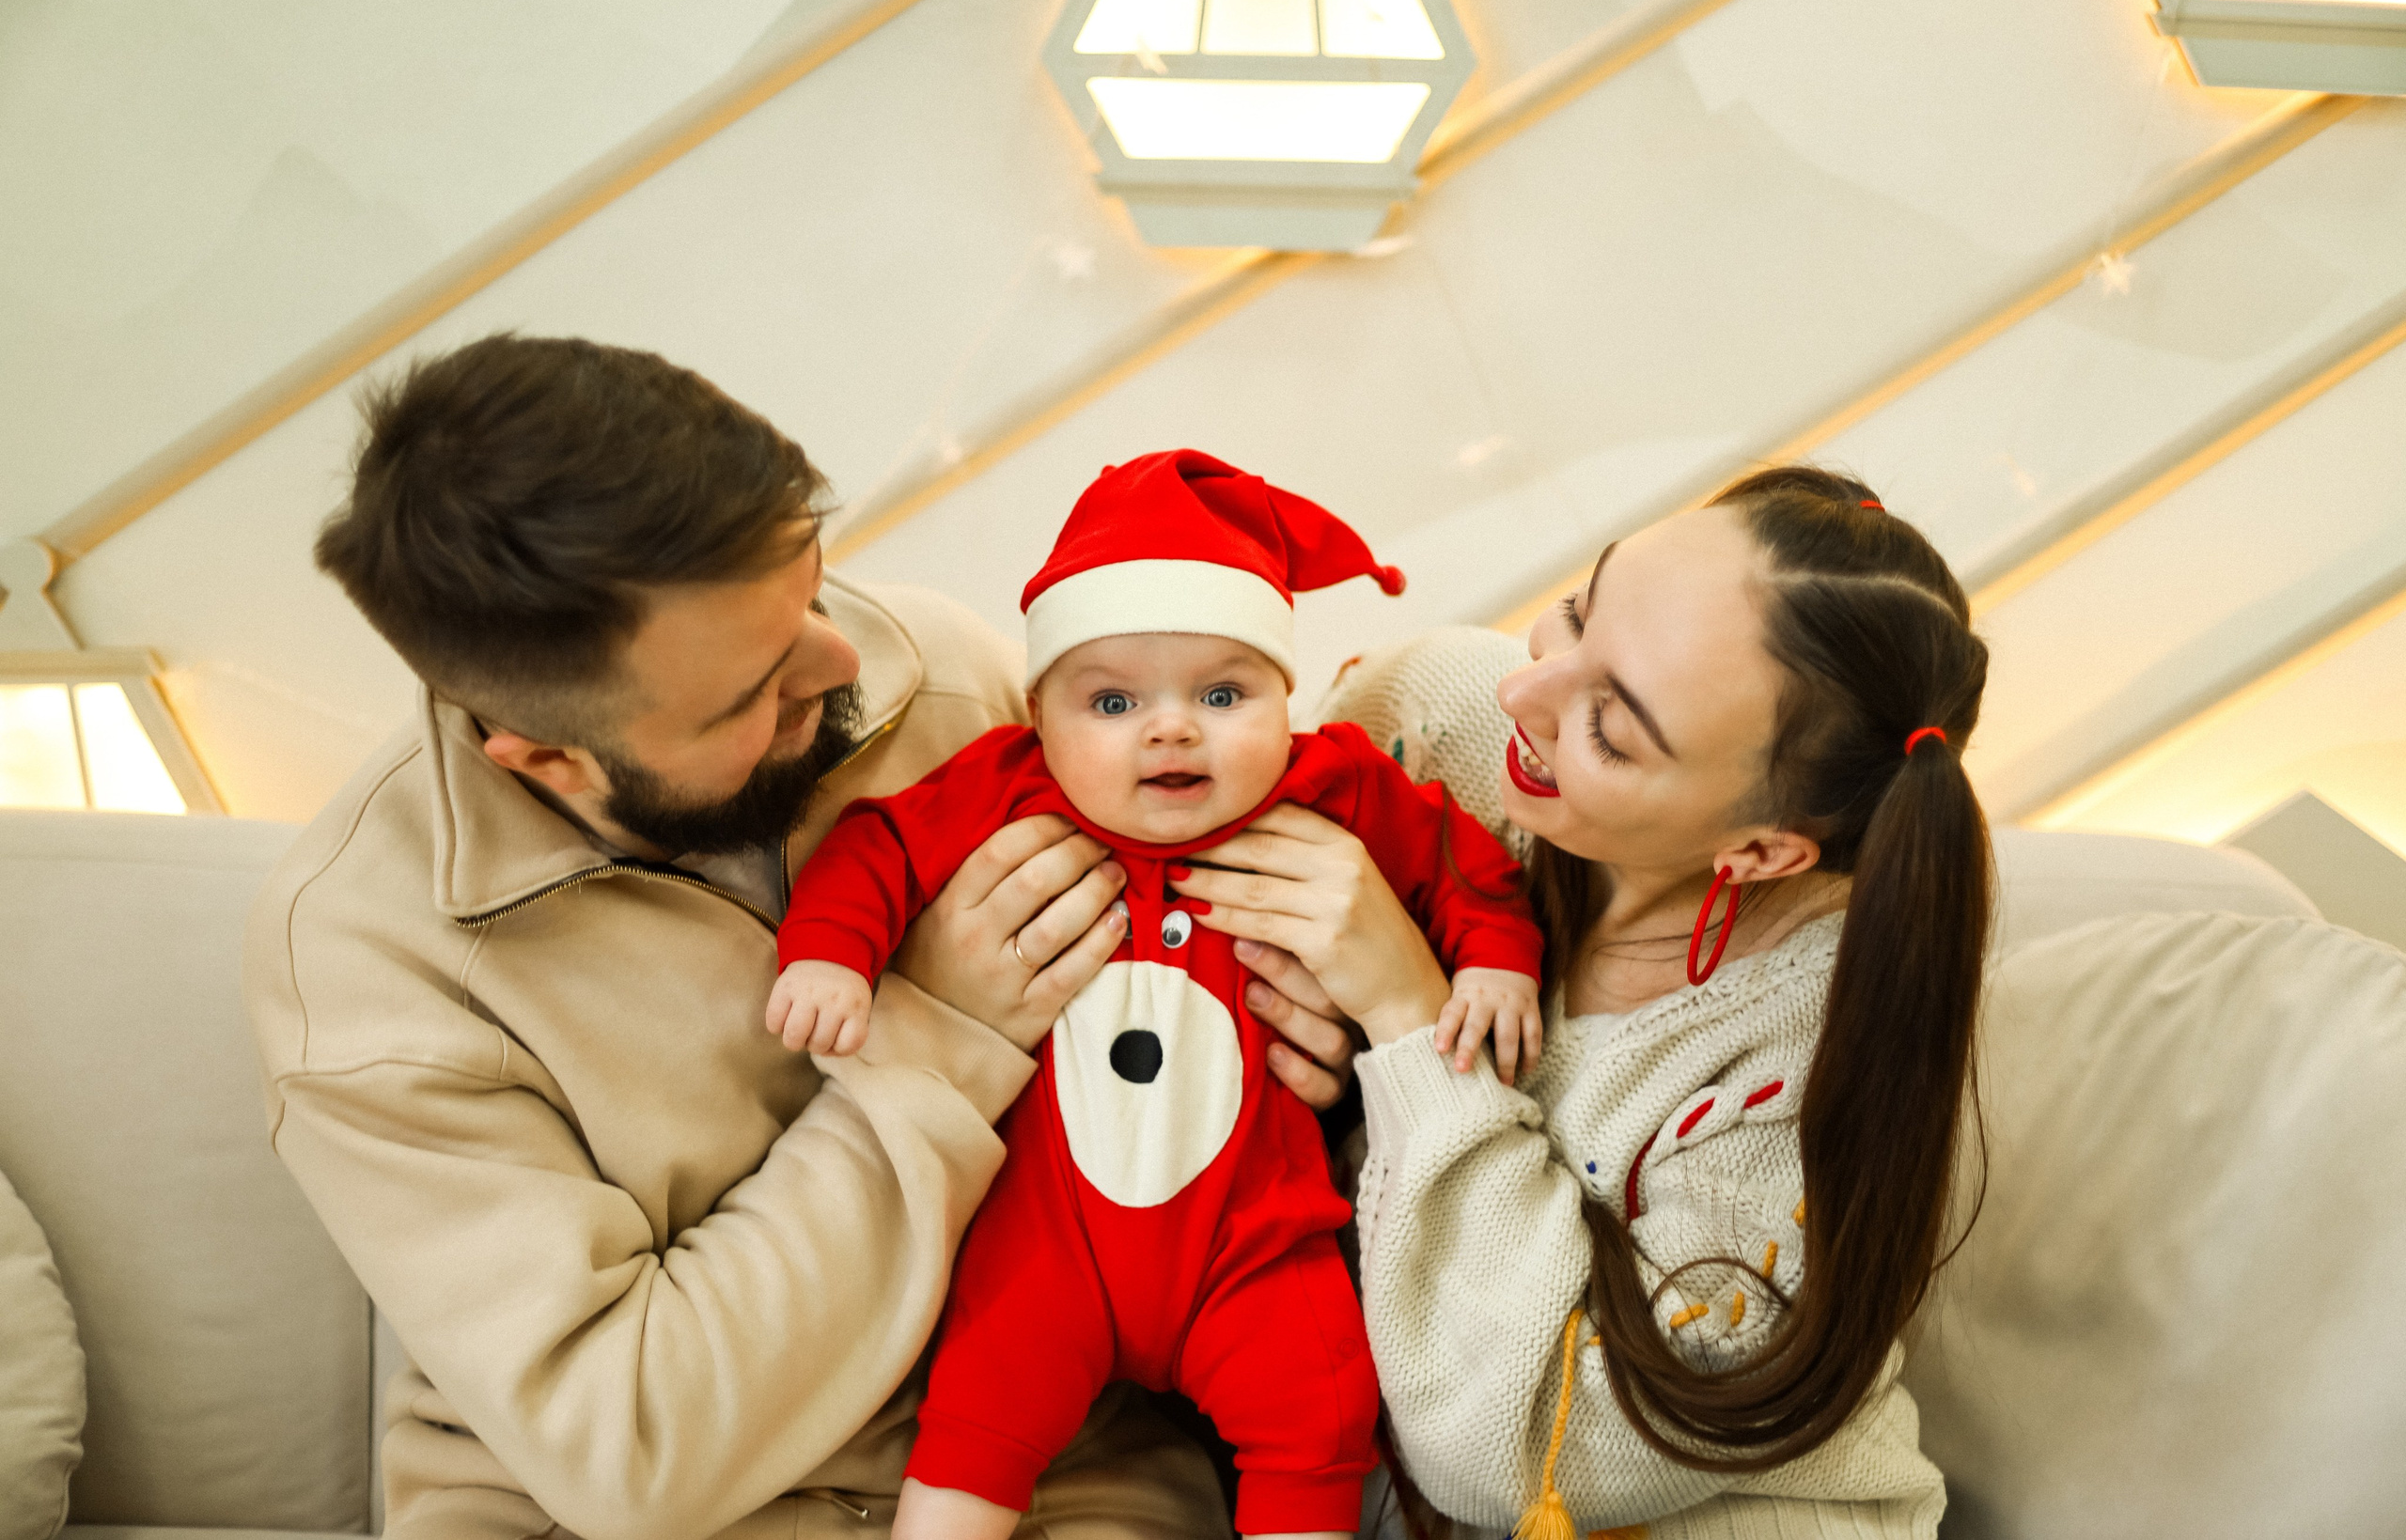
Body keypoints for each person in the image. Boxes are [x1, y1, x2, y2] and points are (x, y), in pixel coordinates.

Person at [243, 335, 1340, 1539]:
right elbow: (637, 1454)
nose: (842, 658)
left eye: (815, 587)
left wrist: (1326, 1028)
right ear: (550, 757)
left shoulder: (948, 681)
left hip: (1057, 1473)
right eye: (754, 691)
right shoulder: (365, 956)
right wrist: (940, 1036)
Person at [1173, 469, 1989, 1536]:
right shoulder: (1436, 720)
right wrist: (1309, 1073)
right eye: (1576, 610)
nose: (1525, 692)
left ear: (1759, 851)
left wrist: (1410, 1022)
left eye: (1609, 726)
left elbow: (1518, 1450)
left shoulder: (1802, 1063)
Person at [768, 450, 1545, 1540]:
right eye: (1112, 701)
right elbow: (878, 849)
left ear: (1286, 700)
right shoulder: (1005, 785)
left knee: (1318, 1409)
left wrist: (1496, 957)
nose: (1171, 728)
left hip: (1256, 1240)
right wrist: (829, 954)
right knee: (981, 1407)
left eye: (1223, 695)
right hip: (1045, 1245)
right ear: (1039, 714)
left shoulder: (1332, 785)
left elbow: (1459, 862)